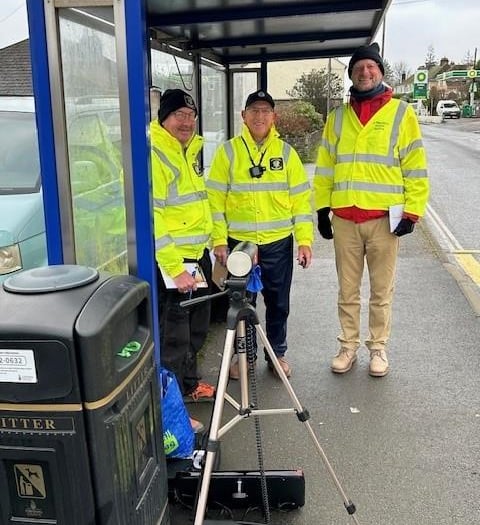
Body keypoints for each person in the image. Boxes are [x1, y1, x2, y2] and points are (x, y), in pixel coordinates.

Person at [314, 43, 429, 377]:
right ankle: (347, 347)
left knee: (381, 292)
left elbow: (416, 167)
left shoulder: (401, 113)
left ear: (381, 72)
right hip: (346, 220)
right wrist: (322, 209)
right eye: (359, 68)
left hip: (384, 220)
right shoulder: (337, 117)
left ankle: (378, 348)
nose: (365, 72)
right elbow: (325, 168)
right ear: (351, 74)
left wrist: (412, 212)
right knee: (347, 291)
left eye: (371, 67)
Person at [207, 89, 314, 379]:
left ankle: (277, 354)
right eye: (254, 110)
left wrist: (304, 240)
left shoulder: (286, 154)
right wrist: (218, 239)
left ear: (274, 117)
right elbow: (214, 200)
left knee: (279, 302)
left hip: (278, 243)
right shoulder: (228, 152)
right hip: (239, 244)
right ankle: (246, 357)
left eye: (266, 111)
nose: (260, 116)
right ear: (243, 115)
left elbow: (301, 202)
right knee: (242, 303)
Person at [150, 89, 215, 432]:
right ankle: (170, 411)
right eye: (179, 115)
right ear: (164, 118)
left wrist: (212, 245)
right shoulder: (156, 153)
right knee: (173, 338)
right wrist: (175, 267)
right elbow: (153, 216)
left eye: (191, 116)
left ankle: (189, 386)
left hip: (196, 257)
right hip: (173, 264)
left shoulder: (187, 151)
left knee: (195, 328)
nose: (187, 122)